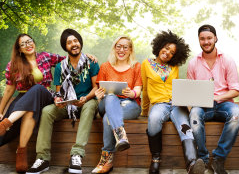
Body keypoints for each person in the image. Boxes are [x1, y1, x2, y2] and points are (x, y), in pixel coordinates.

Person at [26, 29, 99, 174]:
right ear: (65, 47)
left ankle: (77, 154)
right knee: (47, 111)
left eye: (76, 41)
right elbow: (60, 93)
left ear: (80, 43)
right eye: (69, 42)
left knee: (90, 105)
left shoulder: (91, 62)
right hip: (68, 105)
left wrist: (86, 98)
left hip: (87, 102)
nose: (74, 44)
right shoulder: (60, 66)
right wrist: (58, 100)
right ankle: (43, 158)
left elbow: (96, 87)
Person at [0, 34, 66, 172]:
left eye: (29, 41)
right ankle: (21, 152)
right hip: (23, 99)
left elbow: (69, 60)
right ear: (19, 49)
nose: (28, 45)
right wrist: (0, 111)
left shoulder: (46, 56)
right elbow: (9, 90)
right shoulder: (13, 65)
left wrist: (87, 56)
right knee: (29, 110)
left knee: (37, 88)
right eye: (23, 44)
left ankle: (6, 123)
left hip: (46, 96)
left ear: (34, 42)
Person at [141, 30, 205, 174]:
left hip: (177, 104)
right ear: (160, 46)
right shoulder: (146, 64)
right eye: (166, 48)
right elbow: (145, 89)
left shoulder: (174, 67)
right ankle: (155, 160)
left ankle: (192, 164)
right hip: (159, 104)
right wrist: (144, 110)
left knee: (185, 127)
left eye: (172, 52)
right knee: (154, 118)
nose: (168, 52)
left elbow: (176, 87)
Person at [188, 24, 239, 174]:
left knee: (236, 114)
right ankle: (203, 160)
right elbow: (190, 90)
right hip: (202, 105)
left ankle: (218, 159)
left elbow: (235, 90)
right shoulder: (193, 63)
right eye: (202, 39)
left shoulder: (227, 60)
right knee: (194, 115)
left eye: (209, 38)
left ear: (216, 38)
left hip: (224, 104)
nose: (206, 42)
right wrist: (191, 104)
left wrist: (217, 97)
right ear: (199, 40)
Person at [91, 36, 142, 173]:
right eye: (118, 46)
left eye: (125, 47)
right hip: (106, 102)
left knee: (109, 117)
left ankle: (106, 160)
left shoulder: (136, 66)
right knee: (111, 96)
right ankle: (120, 136)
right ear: (114, 48)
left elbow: (138, 89)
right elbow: (99, 89)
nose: (121, 50)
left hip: (129, 104)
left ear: (130, 50)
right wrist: (98, 96)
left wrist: (132, 93)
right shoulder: (105, 66)